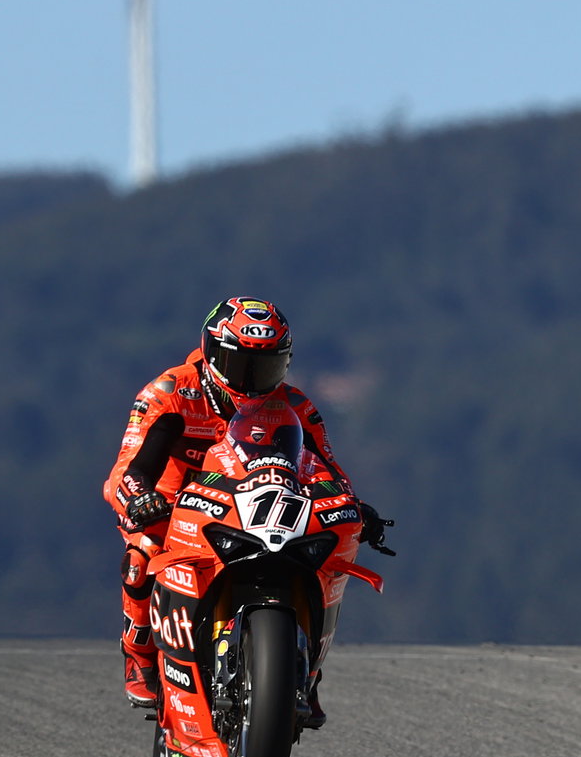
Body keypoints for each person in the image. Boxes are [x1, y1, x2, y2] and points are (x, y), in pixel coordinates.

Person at [103, 296, 393, 725]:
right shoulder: (170, 393)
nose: (252, 379)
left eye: (266, 366)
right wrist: (139, 497)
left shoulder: (296, 405)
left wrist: (354, 507)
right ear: (210, 351)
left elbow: (328, 469)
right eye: (239, 364)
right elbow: (129, 468)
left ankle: (305, 673)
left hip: (259, 508)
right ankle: (140, 654)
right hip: (175, 509)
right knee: (142, 554)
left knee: (320, 557)